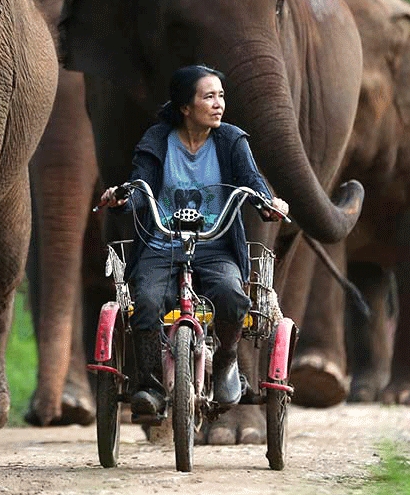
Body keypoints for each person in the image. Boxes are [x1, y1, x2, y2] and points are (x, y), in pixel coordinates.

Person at [99, 65, 289, 415]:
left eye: (221, 96)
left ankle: (227, 361)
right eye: (209, 97)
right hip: (162, 246)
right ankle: (149, 385)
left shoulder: (231, 140)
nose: (219, 104)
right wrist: (123, 198)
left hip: (215, 247)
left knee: (232, 296)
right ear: (185, 107)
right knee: (146, 303)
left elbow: (252, 181)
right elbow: (140, 185)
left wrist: (268, 203)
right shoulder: (157, 141)